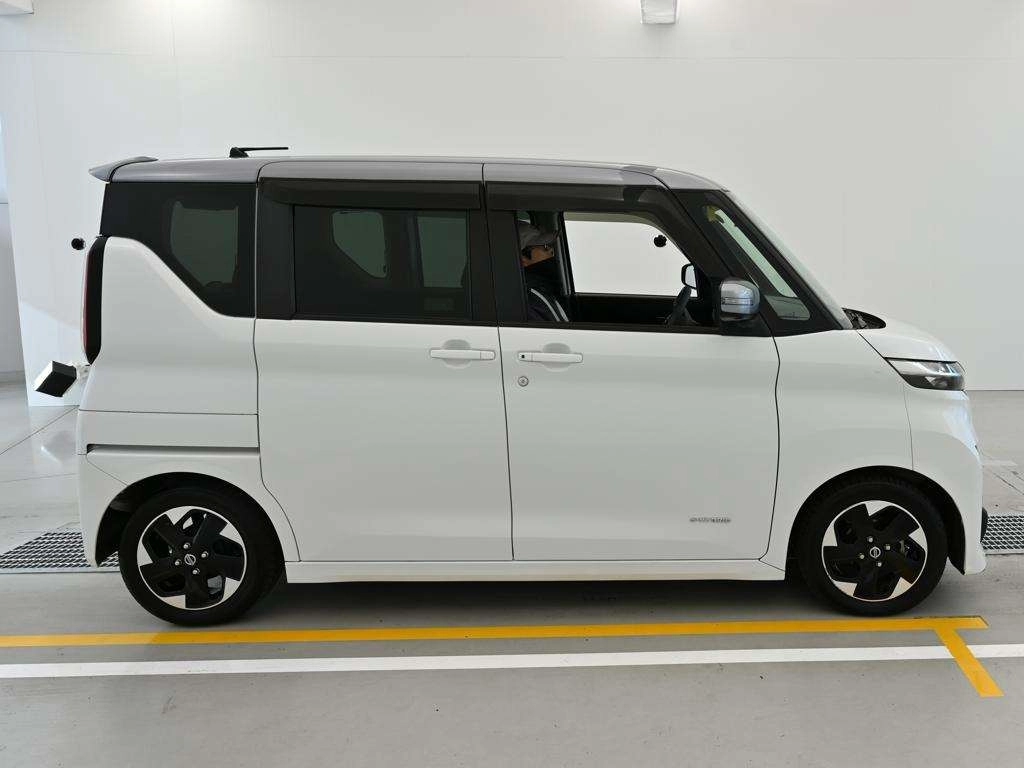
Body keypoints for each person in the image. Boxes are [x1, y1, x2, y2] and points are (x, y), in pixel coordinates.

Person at [518, 223, 569, 322]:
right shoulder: (531, 296)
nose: (551, 250)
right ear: (523, 260)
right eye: (545, 247)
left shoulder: (542, 288)